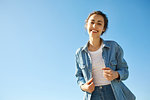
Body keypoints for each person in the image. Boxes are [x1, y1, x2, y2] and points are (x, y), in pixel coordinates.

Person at [75, 11, 136, 100]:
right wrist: (83, 87)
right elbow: (79, 75)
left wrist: (115, 74)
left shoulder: (113, 47)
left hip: (113, 93)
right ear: (86, 24)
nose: (94, 26)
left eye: (99, 24)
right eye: (92, 22)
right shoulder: (79, 53)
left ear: (103, 28)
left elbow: (125, 71)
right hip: (93, 94)